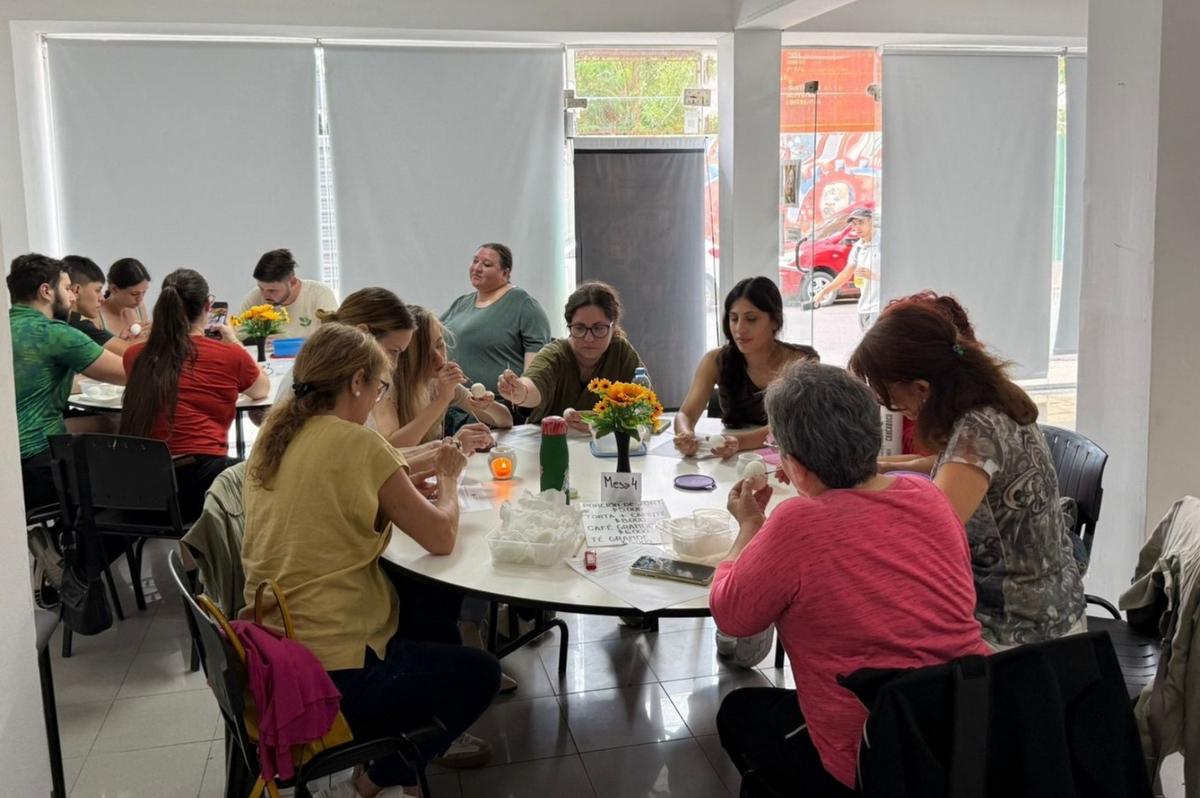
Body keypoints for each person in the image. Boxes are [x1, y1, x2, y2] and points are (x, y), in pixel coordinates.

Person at [241, 324, 500, 796]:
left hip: (273, 641)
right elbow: (441, 536)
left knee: (422, 606)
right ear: (357, 382)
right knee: (480, 672)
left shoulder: (277, 431)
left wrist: (403, 487)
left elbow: (338, 497)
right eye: (380, 386)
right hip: (334, 663)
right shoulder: (353, 441)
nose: (378, 396)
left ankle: (391, 759)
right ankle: (368, 783)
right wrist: (448, 479)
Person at [712, 361, 987, 794]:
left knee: (738, 712)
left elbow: (732, 615)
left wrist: (749, 526)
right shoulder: (928, 495)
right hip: (969, 732)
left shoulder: (798, 521)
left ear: (796, 467)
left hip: (871, 754)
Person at [848, 302, 1086, 649]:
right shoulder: (994, 402)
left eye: (889, 396)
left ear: (921, 388)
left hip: (1021, 629)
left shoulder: (978, 431)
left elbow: (932, 534)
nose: (890, 406)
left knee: (872, 629)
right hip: (1051, 605)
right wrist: (884, 469)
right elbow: (953, 466)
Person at [120, 269, 270, 520]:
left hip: (140, 488)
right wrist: (233, 341)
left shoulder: (134, 356)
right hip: (203, 485)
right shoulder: (230, 356)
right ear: (208, 305)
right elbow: (261, 389)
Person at [9, 253, 127, 509]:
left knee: (106, 424)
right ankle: (71, 545)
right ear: (45, 291)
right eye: (66, 288)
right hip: (39, 462)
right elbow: (129, 372)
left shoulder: (7, 327)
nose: (73, 296)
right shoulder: (55, 334)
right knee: (127, 486)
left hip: (10, 462)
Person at [674, 277, 818, 459]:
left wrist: (737, 442)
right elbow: (685, 414)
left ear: (774, 321)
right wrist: (685, 435)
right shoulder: (715, 360)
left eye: (751, 319)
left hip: (785, 461)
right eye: (734, 319)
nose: (740, 329)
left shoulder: (801, 362)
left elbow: (787, 427)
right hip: (729, 457)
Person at [497, 281, 645, 429]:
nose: (589, 338)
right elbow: (534, 385)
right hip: (551, 445)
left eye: (599, 328)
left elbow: (645, 405)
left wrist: (604, 421)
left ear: (613, 327)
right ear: (569, 326)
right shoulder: (555, 355)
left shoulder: (620, 352)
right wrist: (520, 392)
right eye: (580, 328)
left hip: (605, 448)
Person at [440, 243, 551, 422]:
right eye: (475, 261)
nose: (477, 268)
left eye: (487, 264)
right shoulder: (461, 303)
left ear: (505, 273)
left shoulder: (523, 304)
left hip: (497, 412)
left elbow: (535, 371)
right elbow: (431, 333)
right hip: (454, 407)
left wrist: (523, 395)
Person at [375, 305, 511, 451]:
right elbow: (392, 450)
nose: (440, 359)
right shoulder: (383, 388)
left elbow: (505, 420)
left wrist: (486, 404)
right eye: (425, 355)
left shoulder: (435, 382)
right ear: (404, 358)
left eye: (440, 345)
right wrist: (442, 401)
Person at [238, 248, 337, 339]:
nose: (265, 295)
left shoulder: (320, 294)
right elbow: (237, 337)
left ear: (292, 282)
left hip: (310, 356)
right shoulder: (254, 298)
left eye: (272, 290)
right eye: (261, 288)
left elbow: (335, 338)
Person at [812, 206, 880, 329]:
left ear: (871, 221)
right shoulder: (858, 247)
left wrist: (874, 275)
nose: (857, 227)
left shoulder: (883, 242)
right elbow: (845, 274)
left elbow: (897, 275)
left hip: (880, 308)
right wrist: (824, 291)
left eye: (861, 222)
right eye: (854, 224)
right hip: (864, 308)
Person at [63, 255, 130, 354]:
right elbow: (131, 354)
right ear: (76, 290)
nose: (102, 298)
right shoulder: (77, 323)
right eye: (98, 290)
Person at [96, 257, 152, 341]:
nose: (140, 299)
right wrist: (122, 343)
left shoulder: (139, 308)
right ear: (114, 289)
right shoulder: (96, 316)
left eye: (144, 292)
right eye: (134, 294)